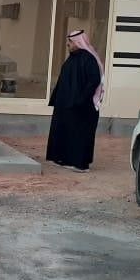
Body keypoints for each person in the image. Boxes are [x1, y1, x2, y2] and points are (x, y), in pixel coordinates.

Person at [46, 29, 104, 172]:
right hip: (66, 105)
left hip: (82, 107)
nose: (68, 44)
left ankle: (80, 164)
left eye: (70, 42)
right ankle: (64, 159)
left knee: (79, 134)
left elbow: (94, 81)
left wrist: (80, 100)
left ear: (78, 42)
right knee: (65, 132)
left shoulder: (89, 59)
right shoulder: (72, 58)